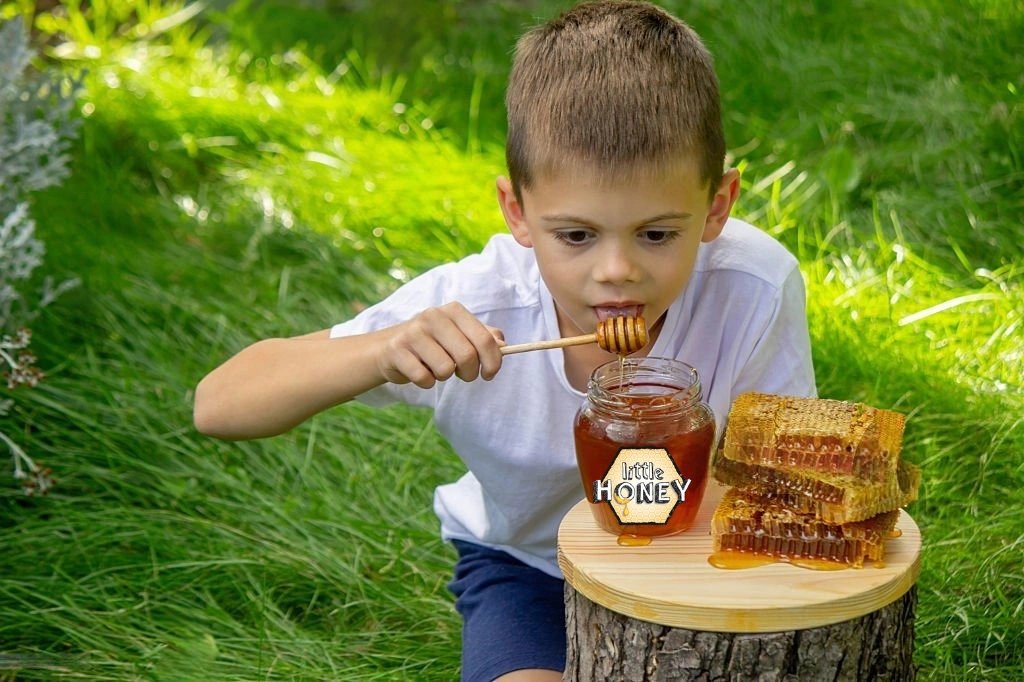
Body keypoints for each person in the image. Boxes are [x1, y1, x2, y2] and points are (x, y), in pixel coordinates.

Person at [193, 1, 816, 680]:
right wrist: (381, 350)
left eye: (657, 233)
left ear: (717, 207)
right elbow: (218, 404)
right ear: (517, 212)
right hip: (533, 570)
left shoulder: (753, 288)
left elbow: (782, 474)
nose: (616, 271)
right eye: (575, 236)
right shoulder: (483, 304)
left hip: (694, 552)